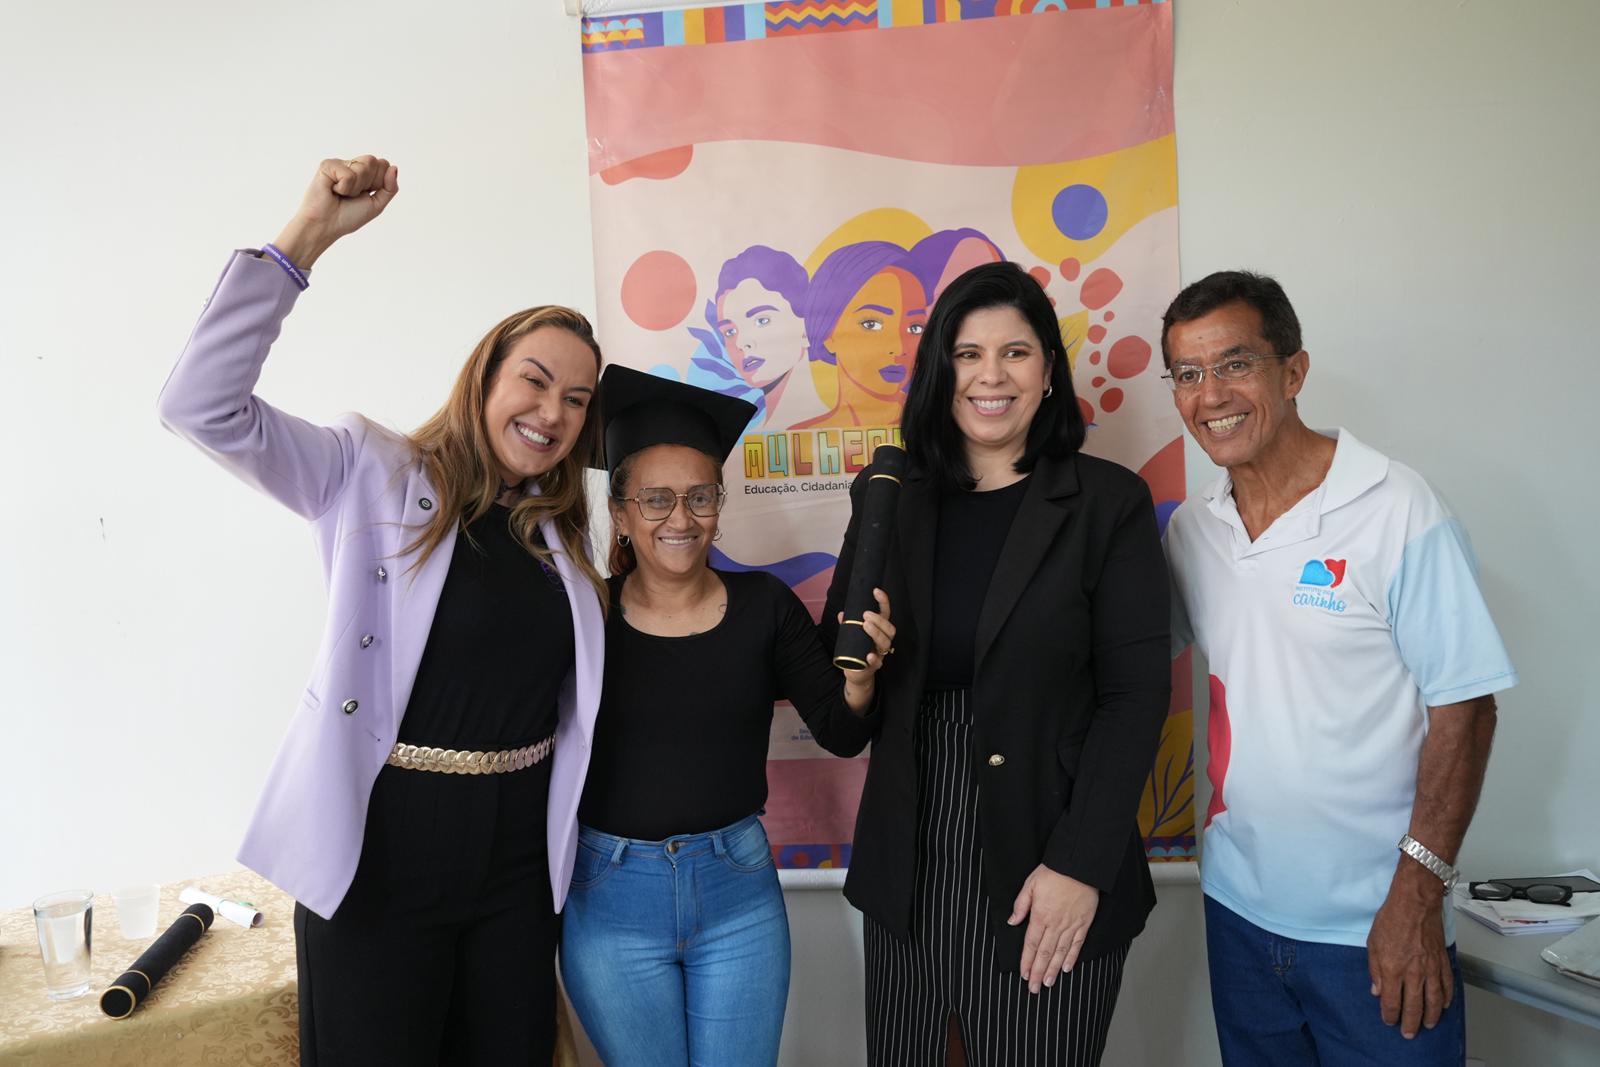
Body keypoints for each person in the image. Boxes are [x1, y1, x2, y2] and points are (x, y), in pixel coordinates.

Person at [157, 155, 608, 1064]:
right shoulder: (367, 472)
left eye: (576, 399)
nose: (552, 411)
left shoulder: (562, 539)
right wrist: (306, 238)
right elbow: (199, 405)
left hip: (517, 873)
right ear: (484, 377)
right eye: (533, 380)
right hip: (380, 858)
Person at [1159, 270, 1517, 1065]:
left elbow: (1466, 709)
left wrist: (1417, 896)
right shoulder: (1194, 530)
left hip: (1377, 924)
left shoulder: (1398, 508)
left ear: (1293, 371)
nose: (1211, 394)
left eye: (1235, 363)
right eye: (1187, 373)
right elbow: (1124, 664)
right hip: (1237, 913)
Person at [821, 261, 1171, 1066]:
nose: (992, 375)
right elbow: (841, 715)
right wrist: (861, 681)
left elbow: (1135, 697)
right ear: (939, 372)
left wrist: (1079, 866)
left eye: (1015, 352)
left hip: (1050, 849)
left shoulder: (1106, 503)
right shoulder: (889, 495)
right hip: (910, 862)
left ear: (1048, 373)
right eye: (968, 353)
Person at [559, 365, 893, 1066]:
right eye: (655, 499)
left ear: (719, 502)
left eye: (700, 496)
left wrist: (861, 683)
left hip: (736, 893)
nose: (680, 519)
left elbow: (840, 732)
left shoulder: (765, 607)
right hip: (611, 898)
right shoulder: (584, 617)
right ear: (620, 512)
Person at [795, 241, 928, 428]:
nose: (898, 348)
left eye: (915, 328)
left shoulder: (938, 434)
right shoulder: (803, 437)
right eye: (871, 324)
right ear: (828, 334)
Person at [694, 244, 827, 429]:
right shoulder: (753, 434)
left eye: (762, 321)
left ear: (806, 326)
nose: (742, 343)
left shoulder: (822, 425)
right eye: (730, 332)